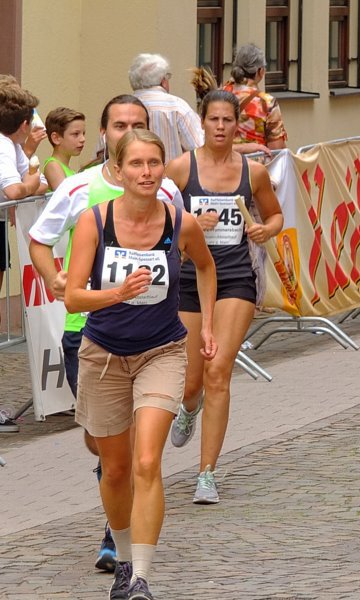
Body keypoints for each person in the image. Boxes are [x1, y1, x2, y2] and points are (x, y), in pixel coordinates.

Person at [29, 94, 183, 573]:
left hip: (156, 341)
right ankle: (117, 506)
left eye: (138, 124)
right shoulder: (78, 189)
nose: (128, 131)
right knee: (105, 449)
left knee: (143, 452)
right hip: (89, 333)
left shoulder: (170, 196)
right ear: (106, 136)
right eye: (120, 125)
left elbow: (186, 252)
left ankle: (123, 550)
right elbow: (39, 239)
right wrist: (55, 277)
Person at [64, 129, 216, 600]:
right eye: (136, 164)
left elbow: (206, 268)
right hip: (103, 353)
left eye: (154, 163)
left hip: (162, 351)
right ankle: (126, 559)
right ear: (118, 168)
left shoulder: (180, 222)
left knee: (148, 461)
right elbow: (73, 294)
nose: (146, 173)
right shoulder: (95, 221)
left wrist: (206, 325)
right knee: (115, 470)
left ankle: (144, 578)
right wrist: (117, 293)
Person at [165, 89, 283, 504]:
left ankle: (207, 473)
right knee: (191, 380)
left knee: (219, 371)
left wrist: (267, 230)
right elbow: (157, 224)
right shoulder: (180, 169)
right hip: (190, 281)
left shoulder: (253, 173)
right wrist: (190, 223)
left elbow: (275, 214)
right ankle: (189, 407)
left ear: (238, 125)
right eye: (213, 120)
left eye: (227, 121)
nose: (219, 127)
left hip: (235, 279)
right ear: (203, 122)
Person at [0, 84, 45, 431]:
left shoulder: (12, 144)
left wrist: (31, 180)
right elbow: (15, 189)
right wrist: (30, 184)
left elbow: (33, 179)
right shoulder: (2, 144)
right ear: (24, 123)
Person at [129, 53, 204, 163]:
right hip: (171, 177)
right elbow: (200, 148)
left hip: (129, 177)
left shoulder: (122, 108)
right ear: (163, 81)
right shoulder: (177, 106)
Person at [222, 43, 288, 154]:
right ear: (260, 71)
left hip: (222, 164)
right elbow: (276, 149)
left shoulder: (219, 95)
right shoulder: (266, 102)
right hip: (254, 166)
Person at [43, 107, 86, 191]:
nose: (83, 139)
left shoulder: (70, 170)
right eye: (76, 134)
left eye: (83, 133)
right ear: (56, 138)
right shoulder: (53, 166)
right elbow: (66, 198)